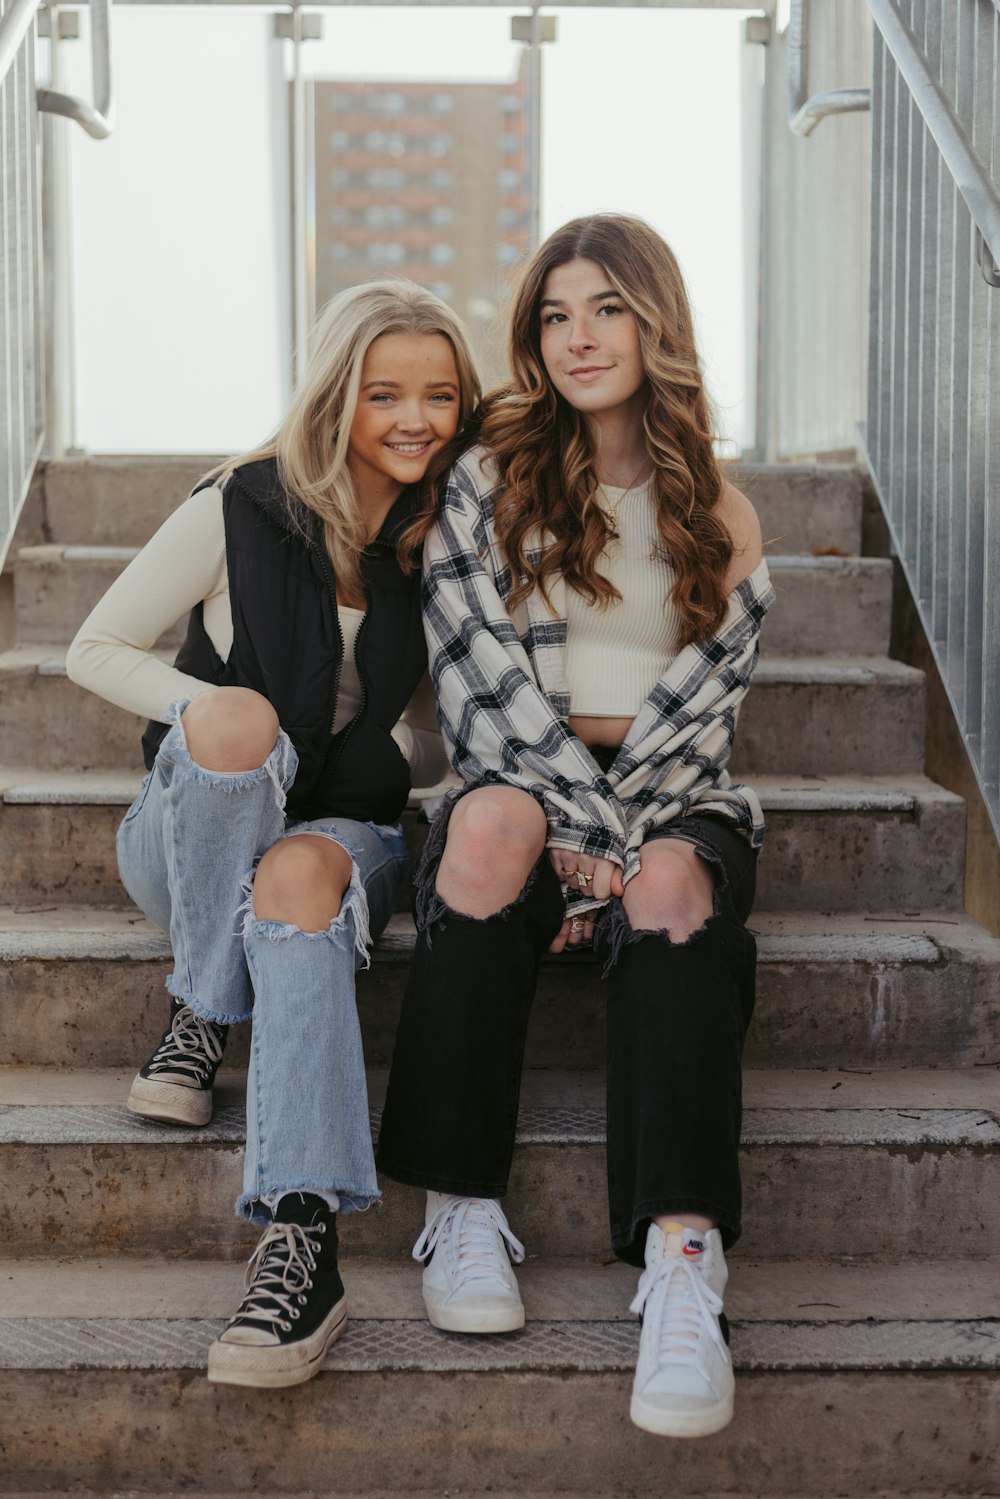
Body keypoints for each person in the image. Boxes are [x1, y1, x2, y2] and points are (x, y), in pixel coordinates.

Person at [375, 215, 773, 1439]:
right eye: (554, 313)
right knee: (488, 829)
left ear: (656, 320)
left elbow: (701, 718)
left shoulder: (721, 508)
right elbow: (473, 680)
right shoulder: (488, 479)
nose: (578, 336)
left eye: (606, 307)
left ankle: (681, 1260)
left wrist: (611, 848)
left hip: (671, 797)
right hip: (516, 776)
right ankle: (462, 1208)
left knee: (665, 885)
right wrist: (567, 831)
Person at [66, 280, 481, 1389]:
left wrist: (409, 758)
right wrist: (205, 713)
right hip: (192, 832)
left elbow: (456, 724)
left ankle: (303, 1243)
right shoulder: (238, 504)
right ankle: (202, 1000)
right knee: (239, 716)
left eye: (439, 394)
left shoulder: (444, 537)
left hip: (340, 830)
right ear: (336, 393)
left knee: (299, 877)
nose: (415, 417)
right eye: (384, 391)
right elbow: (94, 646)